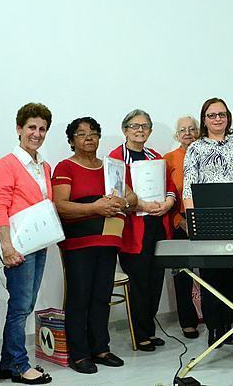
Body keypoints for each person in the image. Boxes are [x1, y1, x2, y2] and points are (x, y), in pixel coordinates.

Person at [53, 117, 136, 374]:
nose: (88, 137)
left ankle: (100, 348)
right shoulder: (65, 166)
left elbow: (131, 196)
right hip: (79, 242)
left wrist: (125, 200)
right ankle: (78, 354)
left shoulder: (112, 166)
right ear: (71, 141)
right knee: (80, 297)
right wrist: (95, 207)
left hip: (109, 239)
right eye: (81, 134)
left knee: (101, 295)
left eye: (93, 133)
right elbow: (61, 206)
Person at [183, 97, 233, 346]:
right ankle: (215, 329)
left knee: (229, 277)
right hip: (207, 222)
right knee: (210, 277)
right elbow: (188, 189)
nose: (217, 119)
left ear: (228, 118)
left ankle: (231, 326)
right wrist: (194, 222)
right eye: (212, 115)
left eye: (221, 114)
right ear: (204, 119)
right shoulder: (195, 148)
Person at [0, 103, 54, 384]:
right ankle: (20, 365)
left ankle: (7, 365)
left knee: (24, 306)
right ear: (19, 129)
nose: (37, 133)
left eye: (42, 129)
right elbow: (0, 206)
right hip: (17, 246)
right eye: (31, 127)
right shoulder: (7, 164)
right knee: (19, 307)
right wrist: (6, 247)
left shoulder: (44, 166)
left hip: (39, 243)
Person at [109, 110, 176, 352]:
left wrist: (168, 203)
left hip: (156, 225)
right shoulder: (115, 159)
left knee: (155, 280)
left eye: (145, 126)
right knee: (138, 282)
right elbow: (115, 194)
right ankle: (140, 334)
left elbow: (170, 186)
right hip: (132, 231)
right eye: (135, 126)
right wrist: (141, 205)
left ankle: (148, 329)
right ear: (125, 129)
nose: (140, 130)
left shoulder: (155, 156)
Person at [163, 115, 201, 339]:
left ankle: (215, 317)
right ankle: (188, 320)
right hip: (180, 223)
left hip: (207, 222)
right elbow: (166, 194)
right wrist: (181, 221)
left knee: (210, 272)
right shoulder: (168, 160)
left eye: (192, 128)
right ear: (176, 135)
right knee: (182, 274)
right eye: (182, 130)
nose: (187, 133)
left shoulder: (206, 154)